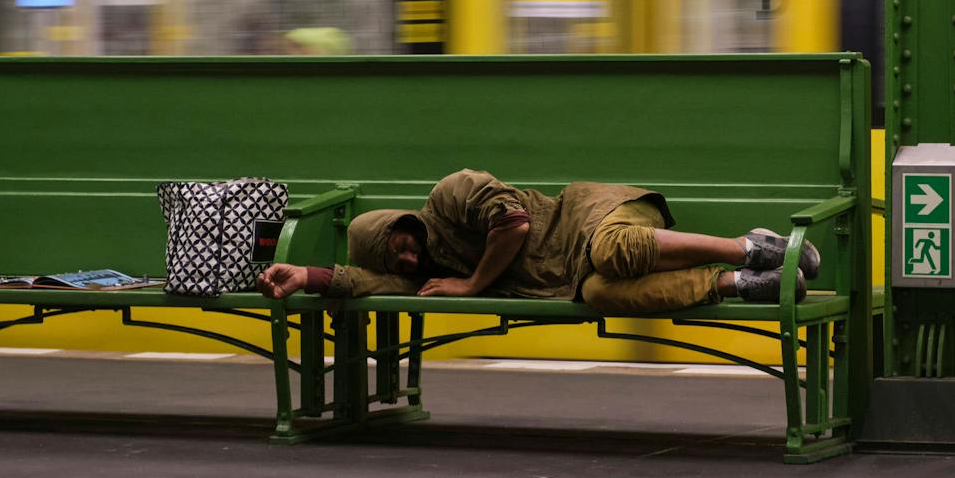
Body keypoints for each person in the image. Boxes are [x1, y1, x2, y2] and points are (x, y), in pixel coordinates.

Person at [256, 168, 819, 313]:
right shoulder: (426, 267)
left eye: (400, 241)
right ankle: (743, 283)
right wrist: (304, 276)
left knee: (610, 253)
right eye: (397, 257)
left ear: (402, 221)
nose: (405, 255)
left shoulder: (451, 195)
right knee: (602, 293)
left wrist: (475, 285)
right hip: (569, 280)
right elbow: (367, 281)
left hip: (594, 218)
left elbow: (514, 222)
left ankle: (751, 246)